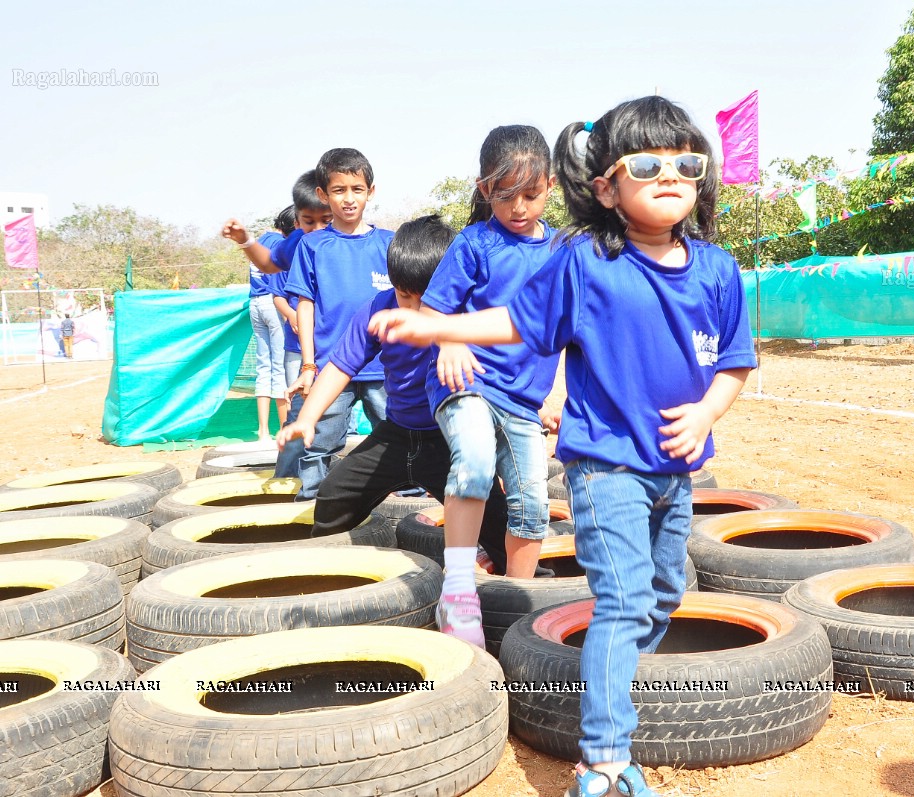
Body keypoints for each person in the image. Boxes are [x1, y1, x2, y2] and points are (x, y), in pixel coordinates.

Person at [369, 96, 756, 797]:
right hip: (603, 465)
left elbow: (733, 362)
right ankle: (605, 756)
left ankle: (603, 671)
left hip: (676, 471)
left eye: (686, 161)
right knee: (622, 597)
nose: (670, 173)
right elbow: (516, 321)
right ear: (605, 185)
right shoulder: (583, 259)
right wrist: (437, 331)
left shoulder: (717, 270)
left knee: (663, 592)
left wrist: (705, 414)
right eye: (646, 162)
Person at [275, 215, 512, 570]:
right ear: (392, 284)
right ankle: (321, 570)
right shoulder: (376, 310)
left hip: (449, 439)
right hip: (395, 435)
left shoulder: (466, 316)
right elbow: (340, 367)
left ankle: (516, 582)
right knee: (333, 494)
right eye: (405, 296)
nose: (413, 310)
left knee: (495, 516)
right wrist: (307, 418)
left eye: (426, 300)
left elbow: (508, 362)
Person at [416, 125, 560, 644]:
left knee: (531, 504)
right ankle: (457, 592)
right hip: (469, 383)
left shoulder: (562, 253)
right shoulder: (475, 243)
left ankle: (514, 609)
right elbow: (434, 310)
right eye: (505, 196)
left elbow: (568, 329)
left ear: (551, 185)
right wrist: (450, 341)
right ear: (484, 190)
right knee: (474, 461)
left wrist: (557, 399)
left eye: (531, 193)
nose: (519, 206)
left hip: (523, 401)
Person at [283, 148, 391, 499]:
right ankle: (313, 500)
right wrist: (309, 365)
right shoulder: (312, 245)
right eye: (339, 190)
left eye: (357, 189)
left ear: (371, 191)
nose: (348, 199)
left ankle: (406, 503)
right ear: (323, 194)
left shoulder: (391, 244)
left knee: (400, 437)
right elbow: (305, 305)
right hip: (331, 368)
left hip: (384, 367)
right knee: (319, 443)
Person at [266, 172, 334, 477]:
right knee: (299, 411)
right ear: (297, 220)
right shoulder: (295, 246)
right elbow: (282, 294)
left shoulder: (350, 244)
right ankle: (288, 478)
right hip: (302, 349)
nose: (318, 229)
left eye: (326, 220)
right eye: (309, 221)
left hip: (339, 350)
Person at [244, 207, 293, 439]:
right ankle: (284, 427)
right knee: (281, 366)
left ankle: (263, 431)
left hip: (254, 303)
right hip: (273, 302)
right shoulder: (278, 242)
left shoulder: (259, 240)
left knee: (263, 366)